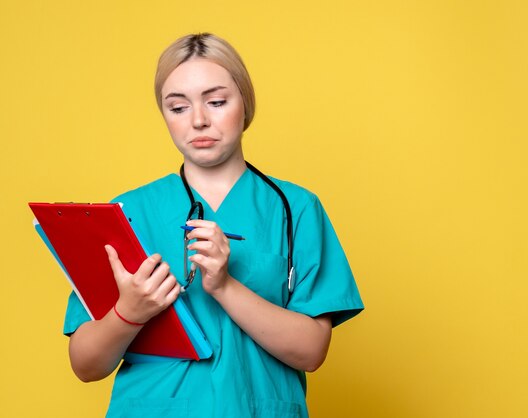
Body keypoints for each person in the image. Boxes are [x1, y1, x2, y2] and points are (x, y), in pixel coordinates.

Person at [63, 33, 363, 417]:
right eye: (177, 108)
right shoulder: (127, 212)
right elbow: (85, 366)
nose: (199, 120)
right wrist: (130, 311)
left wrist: (223, 286)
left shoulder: (296, 208)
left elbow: (311, 352)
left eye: (217, 101)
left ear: (244, 105)